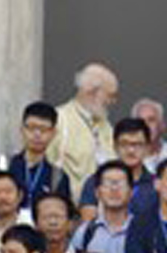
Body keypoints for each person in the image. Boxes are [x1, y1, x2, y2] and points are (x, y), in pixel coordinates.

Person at [0, 102, 72, 221]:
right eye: (31, 128)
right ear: (22, 129)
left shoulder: (57, 176)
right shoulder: (3, 165)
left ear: (53, 133)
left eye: (44, 129)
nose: (37, 134)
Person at [72, 160, 138, 253]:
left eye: (120, 184)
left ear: (130, 192)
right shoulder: (86, 232)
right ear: (97, 192)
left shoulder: (142, 231)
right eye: (108, 184)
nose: (114, 189)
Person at [48, 63, 119, 194]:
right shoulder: (59, 120)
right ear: (91, 92)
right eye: (110, 95)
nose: (112, 101)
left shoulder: (106, 126)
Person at [77, 117, 157, 223]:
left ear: (147, 147)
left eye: (137, 144)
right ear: (114, 146)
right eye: (124, 144)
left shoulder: (157, 184)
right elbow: (88, 226)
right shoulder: (95, 181)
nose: (131, 150)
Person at [130, 98, 167, 174]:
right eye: (141, 121)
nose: (146, 126)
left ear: (162, 126)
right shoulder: (126, 157)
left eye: (151, 120)